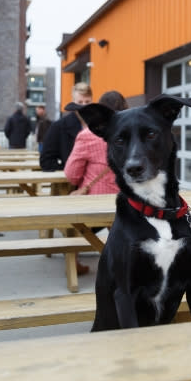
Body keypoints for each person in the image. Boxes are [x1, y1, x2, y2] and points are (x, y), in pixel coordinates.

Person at [64, 90, 128, 275]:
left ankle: (73, 265)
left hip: (94, 205)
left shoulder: (87, 135)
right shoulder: (132, 134)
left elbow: (71, 174)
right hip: (127, 203)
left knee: (73, 223)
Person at [40, 82, 92, 171]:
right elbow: (46, 161)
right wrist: (68, 170)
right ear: (73, 102)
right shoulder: (59, 127)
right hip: (70, 182)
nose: (83, 106)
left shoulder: (100, 124)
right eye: (80, 102)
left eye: (87, 102)